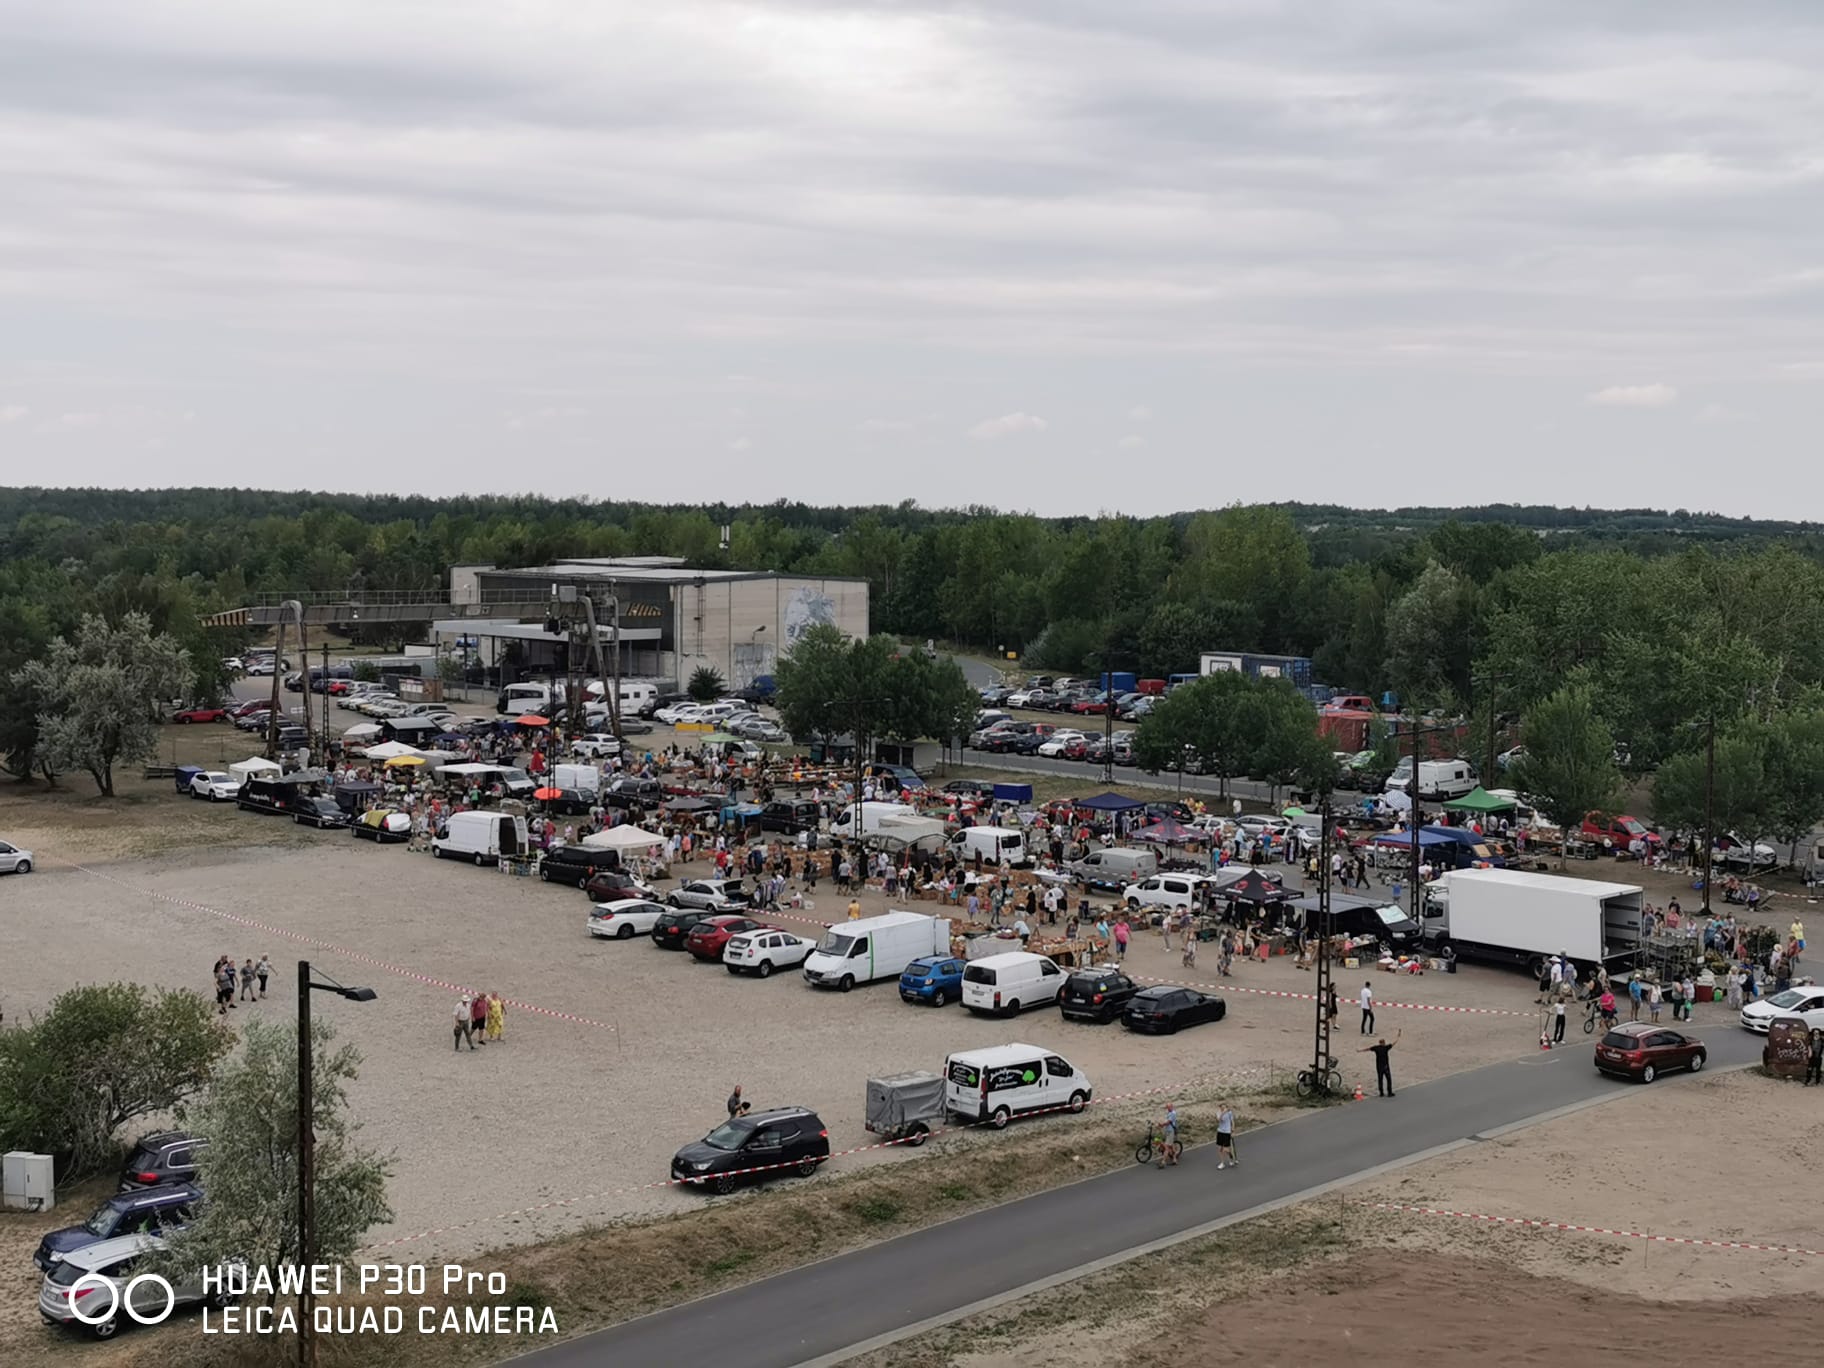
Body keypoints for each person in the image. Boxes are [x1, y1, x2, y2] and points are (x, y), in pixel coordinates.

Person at [1360, 1030, 1401, 1097]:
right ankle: (1389, 1092)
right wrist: (1398, 1036)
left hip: (1379, 1066)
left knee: (1380, 1079)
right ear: (1384, 1043)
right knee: (1388, 1079)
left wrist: (1360, 1050)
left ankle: (1381, 1092)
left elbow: (1368, 1049)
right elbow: (1394, 1043)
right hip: (1385, 1066)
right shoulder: (1386, 1048)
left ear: (1379, 1043)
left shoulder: (1376, 1048)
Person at [1157, 1104, 1180, 1168]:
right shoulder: (1170, 1112)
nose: (1168, 1108)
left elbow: (1168, 1122)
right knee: (1171, 1146)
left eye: (1169, 1107)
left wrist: (1162, 1125)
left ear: (1172, 1107)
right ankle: (1174, 1160)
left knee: (1166, 1147)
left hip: (1170, 1131)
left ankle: (1163, 1162)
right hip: (1168, 1131)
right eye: (1167, 1107)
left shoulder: (1173, 1113)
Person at [1214, 1102, 1236, 1169]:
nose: (1223, 1108)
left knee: (1225, 1149)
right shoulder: (1218, 1113)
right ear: (1220, 1107)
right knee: (1220, 1149)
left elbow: (1232, 1122)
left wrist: (1233, 1131)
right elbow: (1219, 1120)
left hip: (1227, 1132)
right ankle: (1222, 1163)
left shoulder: (1229, 1113)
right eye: (1222, 1107)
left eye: (1224, 1106)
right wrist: (1223, 1112)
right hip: (1220, 1131)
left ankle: (1230, 1156)